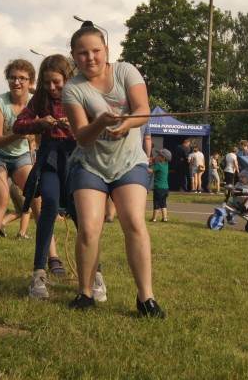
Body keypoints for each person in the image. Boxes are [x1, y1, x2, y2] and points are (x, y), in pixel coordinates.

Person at [63, 22, 164, 317]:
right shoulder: (72, 89)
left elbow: (142, 109)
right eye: (82, 53)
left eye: (96, 51)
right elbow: (81, 136)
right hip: (89, 164)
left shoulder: (125, 71)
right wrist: (101, 123)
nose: (90, 58)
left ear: (107, 51)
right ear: (74, 56)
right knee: (90, 228)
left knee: (134, 221)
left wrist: (124, 124)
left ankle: (146, 298)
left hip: (129, 161)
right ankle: (84, 293)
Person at [0, 59, 54, 276]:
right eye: (12, 77)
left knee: (37, 198)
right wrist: (22, 132)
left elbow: (39, 137)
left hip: (20, 156)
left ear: (31, 81)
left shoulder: (35, 104)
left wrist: (37, 134)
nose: (16, 82)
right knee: (1, 196)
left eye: (22, 78)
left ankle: (53, 257)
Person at [13, 54, 79, 298]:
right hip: (50, 158)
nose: (52, 88)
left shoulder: (80, 93)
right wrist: (39, 122)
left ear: (67, 79)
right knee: (49, 205)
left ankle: (94, 274)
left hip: (76, 160)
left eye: (57, 82)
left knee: (82, 216)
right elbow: (18, 125)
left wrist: (76, 124)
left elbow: (96, 124)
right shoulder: (39, 99)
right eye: (48, 83)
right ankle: (38, 274)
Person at [150, 149, 171, 222]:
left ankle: (154, 218)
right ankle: (165, 218)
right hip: (165, 188)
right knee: (163, 203)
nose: (157, 156)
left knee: (156, 203)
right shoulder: (166, 165)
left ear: (163, 157)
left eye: (159, 155)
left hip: (158, 188)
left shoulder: (158, 165)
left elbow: (150, 170)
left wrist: (145, 166)